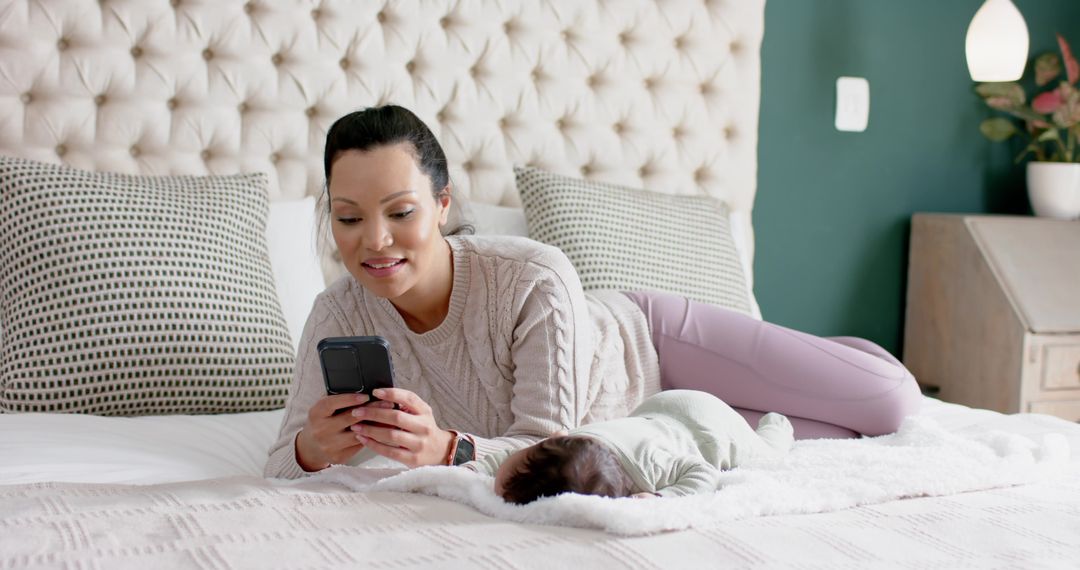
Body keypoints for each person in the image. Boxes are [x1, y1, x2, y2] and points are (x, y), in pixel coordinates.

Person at [263, 105, 922, 479]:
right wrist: (313, 449)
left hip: (653, 345)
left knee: (890, 404)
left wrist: (447, 449)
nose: (374, 241)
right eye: (349, 217)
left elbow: (551, 441)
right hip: (649, 424)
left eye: (399, 212)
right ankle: (815, 369)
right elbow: (278, 465)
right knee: (840, 435)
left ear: (441, 205)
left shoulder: (530, 277)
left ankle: (843, 354)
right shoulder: (336, 311)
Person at [468, 390, 794, 504]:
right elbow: (509, 461)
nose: (510, 456)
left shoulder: (650, 464)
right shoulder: (572, 442)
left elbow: (702, 471)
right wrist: (472, 469)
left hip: (711, 428)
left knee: (768, 453)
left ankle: (778, 422)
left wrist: (663, 497)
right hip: (663, 407)